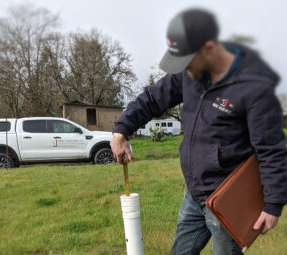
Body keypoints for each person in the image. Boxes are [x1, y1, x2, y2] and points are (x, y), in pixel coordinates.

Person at [110, 8, 287, 255]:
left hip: (227, 200)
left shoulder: (253, 87)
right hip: (194, 194)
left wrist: (273, 204)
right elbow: (152, 98)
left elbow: (272, 150)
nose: (182, 67)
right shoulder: (189, 73)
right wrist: (122, 129)